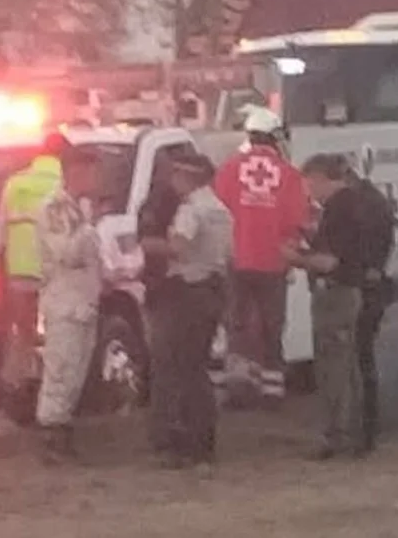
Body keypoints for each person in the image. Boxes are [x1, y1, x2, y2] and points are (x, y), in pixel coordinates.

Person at [142, 153, 233, 470]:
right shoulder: (220, 209)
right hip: (212, 289)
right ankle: (203, 440)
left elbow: (179, 247)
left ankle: (191, 444)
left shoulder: (191, 209)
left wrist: (149, 245)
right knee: (198, 367)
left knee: (184, 369)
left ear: (187, 178)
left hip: (188, 291)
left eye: (176, 175)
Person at [214, 105, 308, 408]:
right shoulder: (290, 175)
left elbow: (217, 214)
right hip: (273, 263)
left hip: (236, 260)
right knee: (272, 327)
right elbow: (298, 220)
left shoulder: (229, 170)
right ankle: (272, 390)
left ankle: (238, 388)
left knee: (237, 327)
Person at [283, 153, 374, 460]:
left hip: (335, 294)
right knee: (348, 366)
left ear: (320, 178)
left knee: (332, 368)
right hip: (348, 292)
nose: (309, 192)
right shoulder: (355, 204)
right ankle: (355, 433)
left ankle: (336, 436)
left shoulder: (338, 210)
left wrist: (295, 258)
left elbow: (329, 261)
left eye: (309, 184)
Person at [34, 147, 103, 464]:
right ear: (76, 172)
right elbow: (66, 252)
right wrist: (89, 230)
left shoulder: (80, 208)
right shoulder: (55, 208)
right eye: (92, 172)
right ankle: (51, 435)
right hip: (64, 302)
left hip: (83, 302)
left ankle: (64, 430)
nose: (97, 179)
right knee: (60, 370)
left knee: (76, 371)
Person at [0, 132, 69, 424]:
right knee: (57, 334)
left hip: (20, 272)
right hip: (53, 272)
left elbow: (1, 231)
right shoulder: (64, 184)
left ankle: (17, 389)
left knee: (23, 334)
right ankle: (50, 396)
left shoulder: (16, 183)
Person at [347, 160, 396, 452]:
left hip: (360, 288)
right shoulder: (376, 202)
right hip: (373, 286)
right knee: (365, 359)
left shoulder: (359, 206)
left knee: (357, 359)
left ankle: (363, 426)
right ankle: (368, 425)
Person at [134, 153, 182, 406]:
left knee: (163, 343)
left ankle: (159, 396)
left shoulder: (159, 201)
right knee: (164, 344)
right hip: (164, 281)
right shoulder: (164, 201)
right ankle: (159, 396)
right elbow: (147, 240)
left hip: (163, 281)